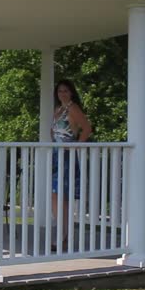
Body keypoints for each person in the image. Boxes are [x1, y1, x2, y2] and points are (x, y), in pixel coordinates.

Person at [50, 79, 91, 251]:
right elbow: (53, 132)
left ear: (71, 92)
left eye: (66, 91)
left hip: (67, 156)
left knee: (62, 197)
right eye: (60, 91)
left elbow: (87, 128)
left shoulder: (73, 108)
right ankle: (63, 235)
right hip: (56, 156)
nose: (63, 94)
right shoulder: (58, 110)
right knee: (56, 197)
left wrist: (75, 145)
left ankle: (64, 237)